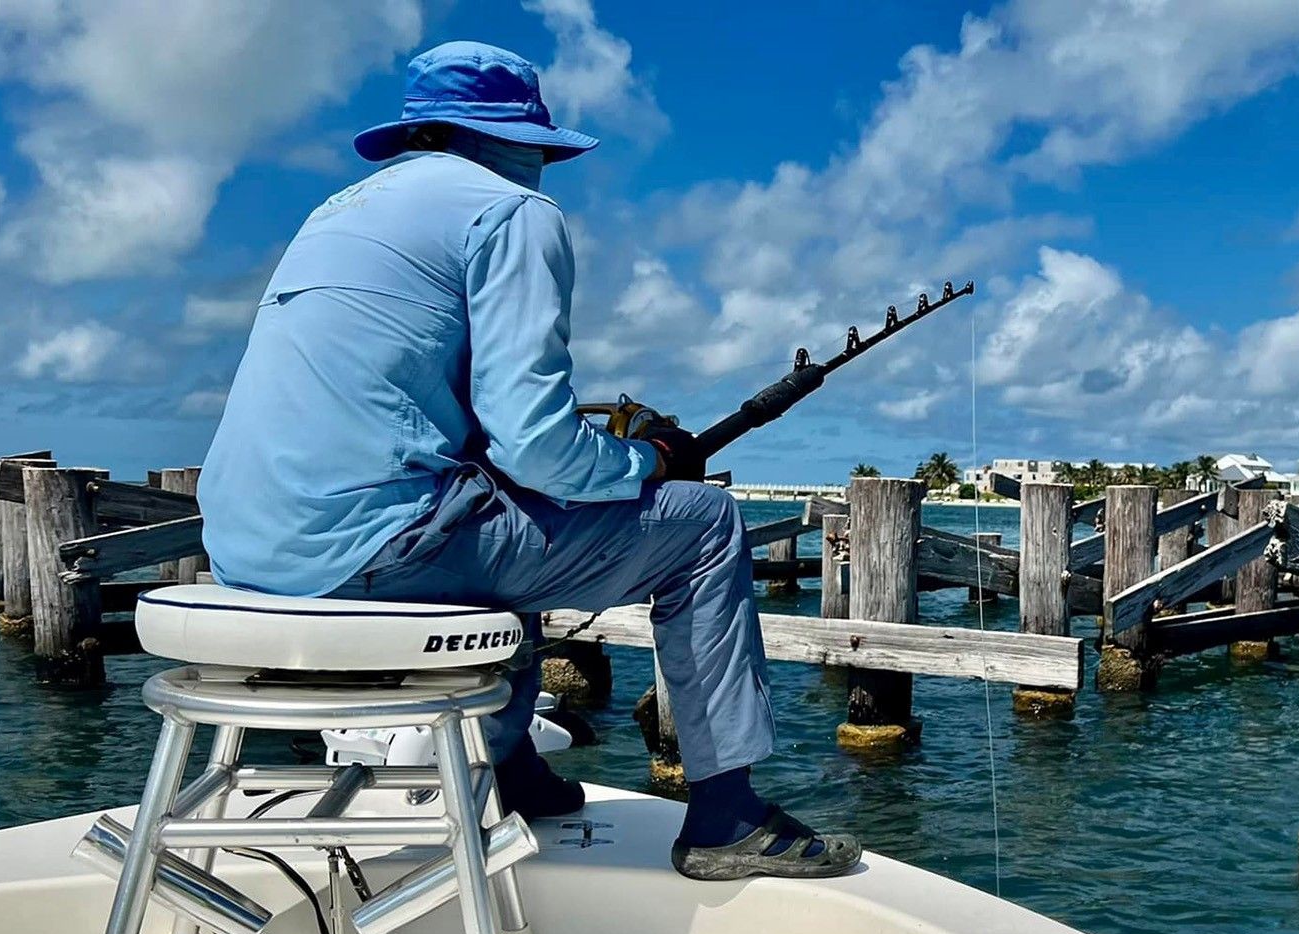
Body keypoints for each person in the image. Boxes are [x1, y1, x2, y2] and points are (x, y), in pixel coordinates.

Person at [198, 41, 858, 880]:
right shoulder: (511, 214)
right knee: (704, 526)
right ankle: (727, 815)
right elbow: (541, 446)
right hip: (372, 552)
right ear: (513, 142)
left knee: (507, 512)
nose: (542, 172)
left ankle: (509, 770)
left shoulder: (332, 216)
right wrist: (650, 464)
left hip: (245, 554)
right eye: (541, 153)